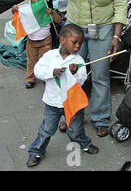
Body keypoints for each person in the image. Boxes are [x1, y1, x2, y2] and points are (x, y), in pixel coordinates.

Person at [22, 0, 129, 137]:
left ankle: (100, 117)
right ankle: (68, 114)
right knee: (69, 73)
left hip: (104, 28)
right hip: (75, 29)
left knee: (99, 75)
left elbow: (121, 7)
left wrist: (116, 36)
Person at [26, 24, 99, 167]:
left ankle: (84, 143)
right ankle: (36, 150)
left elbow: (82, 81)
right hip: (52, 103)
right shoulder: (50, 56)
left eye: (80, 43)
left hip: (72, 103)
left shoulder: (78, 61)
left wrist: (74, 74)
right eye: (74, 42)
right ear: (62, 40)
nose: (77, 46)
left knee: (76, 128)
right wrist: (52, 72)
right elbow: (37, 71)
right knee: (46, 129)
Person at [12, 0, 63, 89]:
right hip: (31, 41)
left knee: (45, 60)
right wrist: (14, 9)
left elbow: (59, 20)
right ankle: (30, 79)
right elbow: (16, 14)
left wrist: (52, 13)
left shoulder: (47, 10)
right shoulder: (28, 11)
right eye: (33, 3)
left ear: (43, 1)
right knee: (31, 61)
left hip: (46, 41)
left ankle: (46, 77)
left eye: (38, 3)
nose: (35, 6)